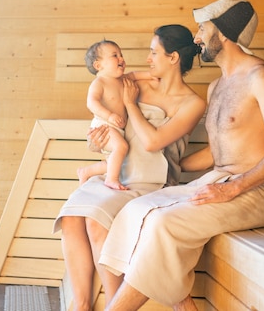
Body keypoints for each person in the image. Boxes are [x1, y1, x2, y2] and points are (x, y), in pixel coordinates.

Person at [99, 0, 264, 311]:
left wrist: (233, 187)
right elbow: (218, 152)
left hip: (263, 188)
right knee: (137, 210)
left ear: (224, 33)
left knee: (164, 224)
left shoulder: (261, 77)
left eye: (202, 28)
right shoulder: (217, 86)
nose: (196, 37)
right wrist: (167, 166)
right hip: (222, 177)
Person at [53, 25, 206, 311]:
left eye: (153, 52)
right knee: (73, 217)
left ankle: (114, 305)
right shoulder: (134, 82)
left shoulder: (193, 103)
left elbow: (152, 142)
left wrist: (129, 104)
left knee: (95, 221)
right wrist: (97, 143)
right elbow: (108, 123)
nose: (147, 58)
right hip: (119, 175)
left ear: (173, 58)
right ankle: (82, 305)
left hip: (151, 183)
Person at [78, 39, 146, 189]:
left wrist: (152, 75)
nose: (121, 58)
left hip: (117, 128)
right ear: (98, 65)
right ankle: (111, 180)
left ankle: (86, 171)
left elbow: (135, 75)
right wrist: (109, 116)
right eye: (115, 55)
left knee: (115, 160)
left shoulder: (123, 80)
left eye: (121, 54)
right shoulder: (99, 82)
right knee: (121, 147)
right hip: (104, 125)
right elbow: (92, 103)